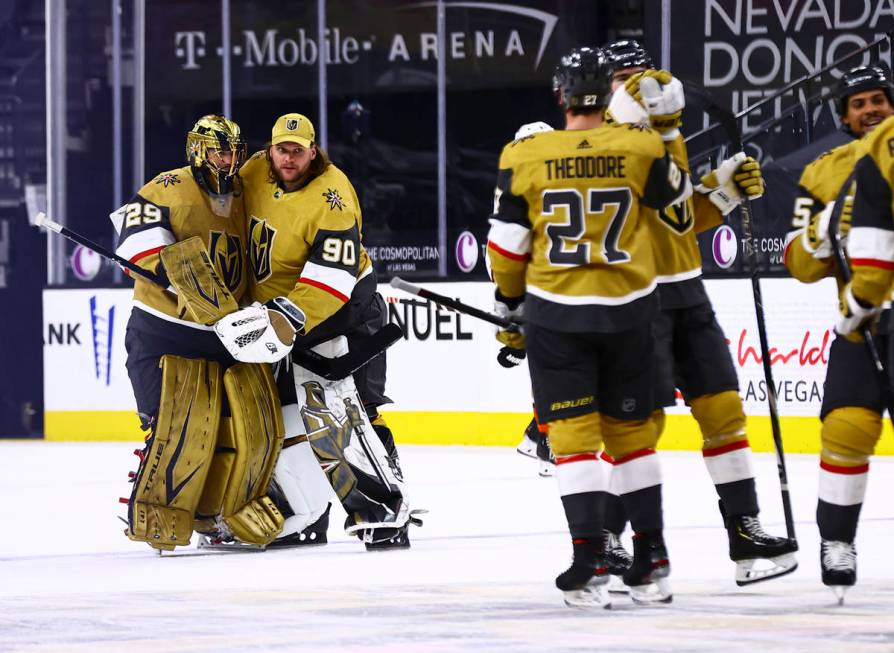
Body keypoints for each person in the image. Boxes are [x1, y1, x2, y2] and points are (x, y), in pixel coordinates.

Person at [487, 46, 694, 607]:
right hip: (631, 310)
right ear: (608, 95)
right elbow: (678, 209)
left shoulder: (525, 154)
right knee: (631, 438)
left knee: (575, 442)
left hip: (559, 315)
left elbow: (507, 248)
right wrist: (669, 130)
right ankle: (652, 558)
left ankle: (591, 557)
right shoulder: (641, 145)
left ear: (560, 94)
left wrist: (510, 308)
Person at [601, 38, 799, 587]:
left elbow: (679, 219)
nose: (639, 84)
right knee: (642, 424)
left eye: (643, 73)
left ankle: (745, 532)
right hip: (638, 299)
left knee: (724, 411)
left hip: (689, 291)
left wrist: (724, 193)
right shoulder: (604, 143)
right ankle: (612, 539)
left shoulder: (667, 134)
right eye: (625, 77)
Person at [239, 113, 418, 550]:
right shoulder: (254, 171)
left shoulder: (334, 196)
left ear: (313, 152)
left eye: (298, 150)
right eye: (282, 148)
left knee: (335, 411)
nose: (289, 157)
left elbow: (330, 283)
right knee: (280, 416)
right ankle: (305, 515)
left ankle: (384, 510)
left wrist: (281, 322)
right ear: (271, 148)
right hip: (280, 317)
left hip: (342, 313)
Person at [116, 114, 288, 551]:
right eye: (219, 151)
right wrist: (170, 271)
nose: (228, 160)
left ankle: (215, 515)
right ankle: (163, 509)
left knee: (242, 431)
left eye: (233, 151)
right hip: (164, 328)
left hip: (226, 331)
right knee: (174, 428)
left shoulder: (246, 194)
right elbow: (134, 241)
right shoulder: (168, 185)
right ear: (197, 149)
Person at [784, 63, 894, 601]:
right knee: (846, 430)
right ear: (845, 116)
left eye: (878, 99)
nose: (870, 109)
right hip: (863, 324)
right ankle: (837, 542)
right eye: (859, 103)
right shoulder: (822, 171)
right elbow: (800, 267)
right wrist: (820, 240)